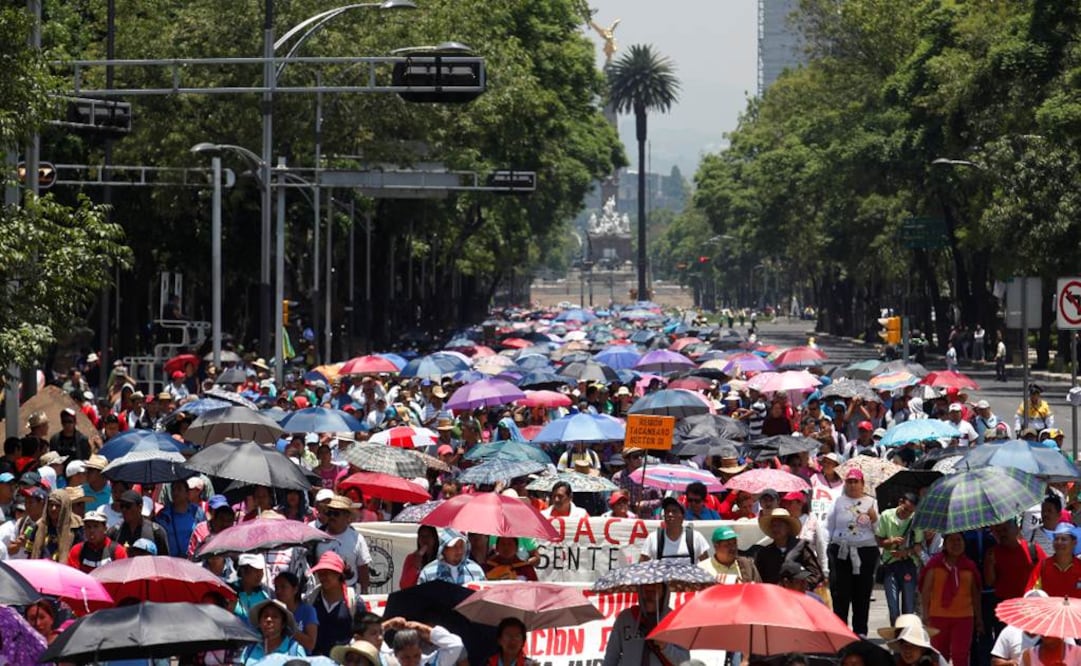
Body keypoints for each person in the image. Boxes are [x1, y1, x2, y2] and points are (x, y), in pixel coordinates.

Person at [826, 468, 879, 638]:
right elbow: (829, 526)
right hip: (841, 551)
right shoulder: (838, 501)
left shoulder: (872, 502)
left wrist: (874, 518)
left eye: (856, 481)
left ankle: (860, 631)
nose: (852, 485)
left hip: (865, 552)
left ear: (863, 484)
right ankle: (839, 631)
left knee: (862, 592)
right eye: (849, 481)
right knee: (840, 592)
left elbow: (880, 531)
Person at [920, 532, 982, 666]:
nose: (956, 544)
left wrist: (979, 618)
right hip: (938, 616)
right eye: (952, 540)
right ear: (945, 544)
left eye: (959, 540)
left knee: (961, 654)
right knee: (939, 655)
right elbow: (926, 591)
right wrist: (925, 613)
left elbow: (975, 595)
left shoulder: (969, 566)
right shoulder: (934, 564)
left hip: (964, 618)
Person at [603, 582, 689, 666]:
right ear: (640, 589)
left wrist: (665, 647)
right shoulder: (625, 618)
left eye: (656, 586)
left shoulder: (675, 620)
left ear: (664, 590)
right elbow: (611, 657)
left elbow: (684, 661)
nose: (650, 590)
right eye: (646, 586)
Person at [876, 492, 924, 625]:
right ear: (900, 502)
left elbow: (918, 544)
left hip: (908, 564)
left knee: (908, 609)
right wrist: (890, 541)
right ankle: (896, 638)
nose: (907, 513)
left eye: (910, 512)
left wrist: (906, 552)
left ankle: (907, 638)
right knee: (893, 610)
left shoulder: (916, 520)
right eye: (905, 509)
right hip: (890, 565)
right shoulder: (886, 515)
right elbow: (879, 540)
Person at [313, 495, 372, 593]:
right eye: (329, 513)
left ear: (347, 516)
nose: (332, 517)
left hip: (348, 591)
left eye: (336, 514)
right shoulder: (318, 536)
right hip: (322, 591)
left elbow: (363, 568)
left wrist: (364, 592)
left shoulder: (357, 538)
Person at [307, 551, 359, 656]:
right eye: (320, 573)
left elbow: (363, 632)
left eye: (327, 573)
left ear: (338, 574)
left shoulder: (354, 602)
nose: (323, 577)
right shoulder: (311, 599)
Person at [754, 508, 823, 587]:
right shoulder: (764, 553)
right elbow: (758, 578)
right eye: (773, 526)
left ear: (788, 528)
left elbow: (814, 574)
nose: (776, 529)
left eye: (779, 525)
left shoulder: (801, 547)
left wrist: (799, 583)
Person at [640, 497, 710, 563]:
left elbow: (706, 565)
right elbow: (641, 566)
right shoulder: (653, 538)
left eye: (674, 511)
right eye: (667, 511)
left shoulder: (696, 537)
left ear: (682, 516)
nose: (670, 514)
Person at [239, 599, 307, 663]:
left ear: (283, 624)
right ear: (259, 622)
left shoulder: (294, 651)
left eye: (275, 616)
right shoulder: (249, 650)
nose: (269, 619)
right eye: (265, 616)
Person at [26, 489, 83, 562]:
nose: (53, 509)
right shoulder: (39, 526)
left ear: (65, 507)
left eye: (58, 505)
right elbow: (29, 553)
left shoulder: (76, 526)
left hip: (65, 570)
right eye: (51, 505)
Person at [1026, 524, 1081, 597]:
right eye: (1056, 539)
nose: (1059, 542)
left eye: (1063, 539)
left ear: (1074, 543)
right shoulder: (1043, 566)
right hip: (1048, 608)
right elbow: (1031, 594)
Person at [108, 489, 169, 555]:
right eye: (122, 506)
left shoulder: (156, 532)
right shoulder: (114, 532)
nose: (124, 509)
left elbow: (164, 559)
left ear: (140, 507)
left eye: (128, 506)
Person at [155, 478, 206, 558]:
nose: (175, 493)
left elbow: (204, 535)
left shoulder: (197, 513)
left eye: (179, 489)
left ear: (187, 493)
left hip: (192, 562)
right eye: (173, 489)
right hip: (169, 562)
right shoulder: (163, 515)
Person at [417, 529, 486, 585]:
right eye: (454, 546)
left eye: (461, 546)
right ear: (443, 549)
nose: (459, 551)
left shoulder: (476, 571)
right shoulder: (428, 573)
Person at [274, 571, 318, 654]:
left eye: (283, 587)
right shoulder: (274, 612)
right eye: (276, 587)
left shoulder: (308, 611)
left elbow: (311, 644)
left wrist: (289, 629)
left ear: (295, 589)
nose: (278, 591)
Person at [386, 621, 465, 666]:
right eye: (406, 657)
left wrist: (424, 629)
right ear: (395, 654)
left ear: (421, 651)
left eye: (416, 656)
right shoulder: (386, 661)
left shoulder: (431, 663)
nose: (412, 662)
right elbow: (373, 646)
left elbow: (456, 645)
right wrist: (387, 625)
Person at [234, 553, 272, 623]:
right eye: (256, 571)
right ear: (243, 571)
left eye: (261, 570)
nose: (260, 575)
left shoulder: (266, 595)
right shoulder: (230, 592)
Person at [400, 524, 439, 590]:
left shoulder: (442, 558)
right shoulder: (411, 558)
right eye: (421, 536)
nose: (425, 539)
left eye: (428, 536)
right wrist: (415, 567)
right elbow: (403, 586)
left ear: (434, 538)